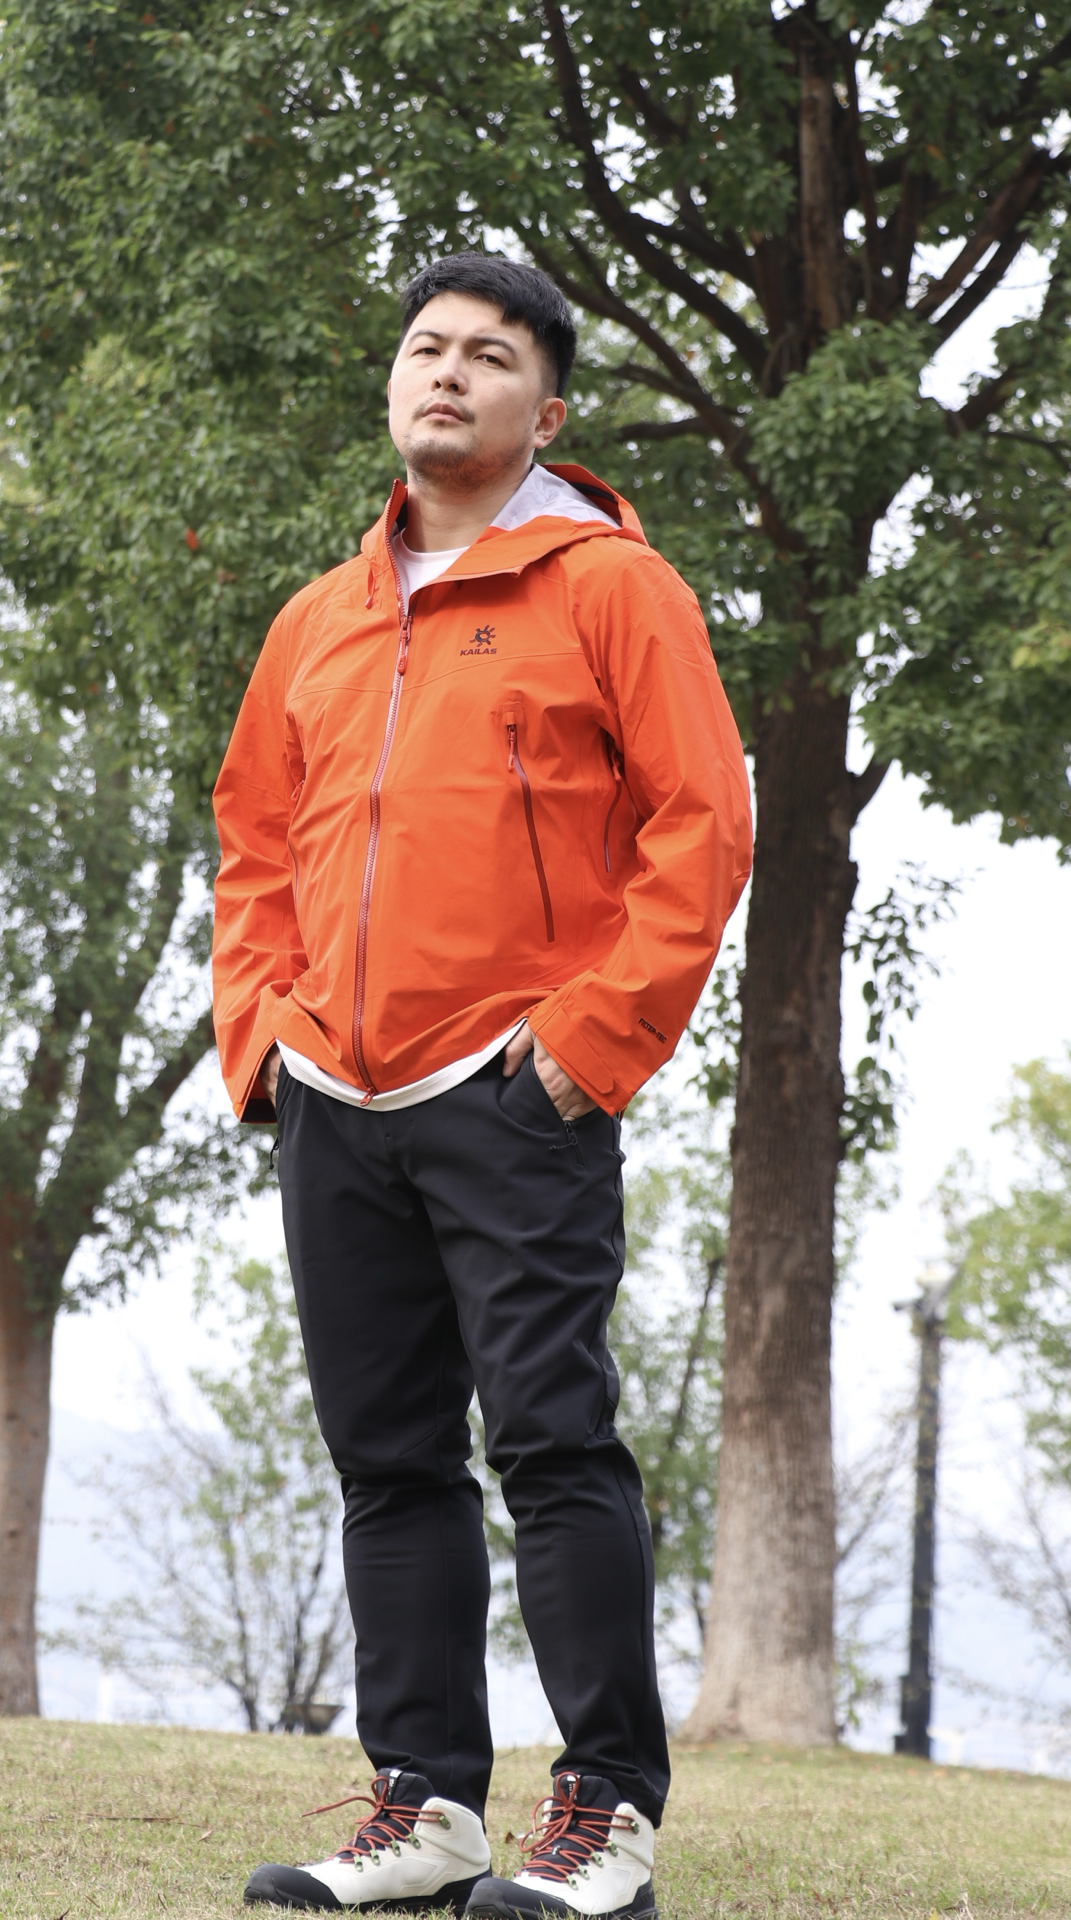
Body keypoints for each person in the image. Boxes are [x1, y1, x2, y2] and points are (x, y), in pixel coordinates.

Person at [212, 252, 751, 1919]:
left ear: (548, 410)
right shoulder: (319, 618)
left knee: (552, 1444)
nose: (448, 372)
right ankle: (428, 1809)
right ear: (395, 384)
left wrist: (591, 1046)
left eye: (490, 356)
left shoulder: (612, 590)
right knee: (388, 1462)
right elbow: (253, 843)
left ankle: (607, 1825)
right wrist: (261, 1037)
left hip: (515, 1090)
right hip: (335, 1094)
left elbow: (703, 826)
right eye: (427, 347)